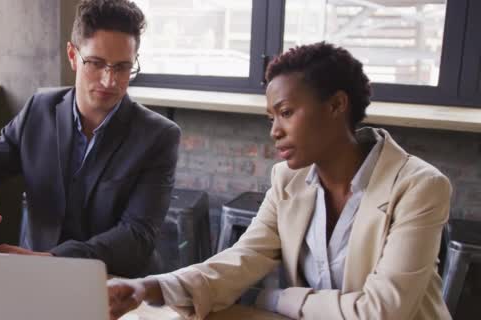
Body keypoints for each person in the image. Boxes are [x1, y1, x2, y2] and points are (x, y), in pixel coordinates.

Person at [108, 42, 452, 319]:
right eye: (271, 117)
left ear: (337, 105)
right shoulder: (288, 180)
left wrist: (279, 299)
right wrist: (148, 288)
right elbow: (241, 259)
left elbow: (382, 312)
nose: (275, 131)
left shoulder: (419, 187)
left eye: (286, 113)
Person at [0, 0, 180, 277]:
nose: (109, 80)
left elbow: (138, 236)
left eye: (122, 67)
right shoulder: (39, 109)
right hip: (33, 277)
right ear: (72, 55)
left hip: (114, 283)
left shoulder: (158, 136)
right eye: (96, 63)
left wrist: (52, 259)